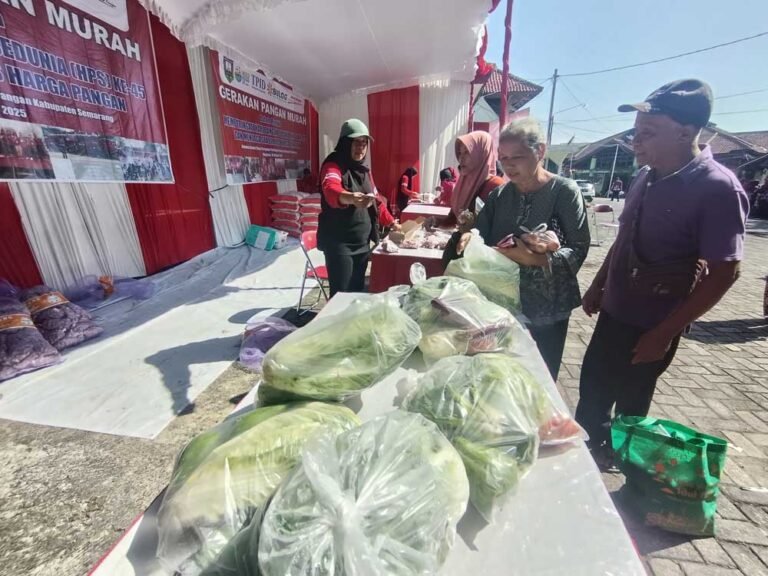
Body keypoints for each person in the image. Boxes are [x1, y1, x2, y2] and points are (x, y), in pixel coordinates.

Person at [575, 79, 749, 467]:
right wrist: (598, 285)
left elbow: (725, 273)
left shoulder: (719, 188)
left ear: (686, 131)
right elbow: (623, 239)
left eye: (648, 133)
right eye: (635, 132)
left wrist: (663, 334)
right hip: (614, 314)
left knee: (631, 409)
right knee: (592, 395)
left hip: (654, 325)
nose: (636, 142)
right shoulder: (644, 175)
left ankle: (622, 479)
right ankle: (586, 461)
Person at [471, 117, 591, 379]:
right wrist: (467, 238)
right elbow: (479, 238)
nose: (509, 165)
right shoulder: (500, 196)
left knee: (540, 378)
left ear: (541, 151)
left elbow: (579, 248)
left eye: (518, 156)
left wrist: (537, 259)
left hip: (547, 309)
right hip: (502, 305)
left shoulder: (563, 192)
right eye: (503, 157)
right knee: (501, 378)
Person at [318, 118, 397, 296]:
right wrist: (350, 198)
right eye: (356, 142)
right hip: (340, 245)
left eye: (364, 143)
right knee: (341, 297)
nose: (360, 148)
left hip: (362, 244)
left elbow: (377, 201)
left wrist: (392, 223)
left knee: (357, 294)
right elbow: (331, 189)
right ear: (345, 143)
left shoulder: (364, 171)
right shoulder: (333, 165)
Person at [451, 131, 504, 215]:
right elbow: (454, 218)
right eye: (460, 153)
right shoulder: (463, 181)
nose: (461, 158)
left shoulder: (496, 186)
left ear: (482, 153)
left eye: (467, 152)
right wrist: (437, 221)